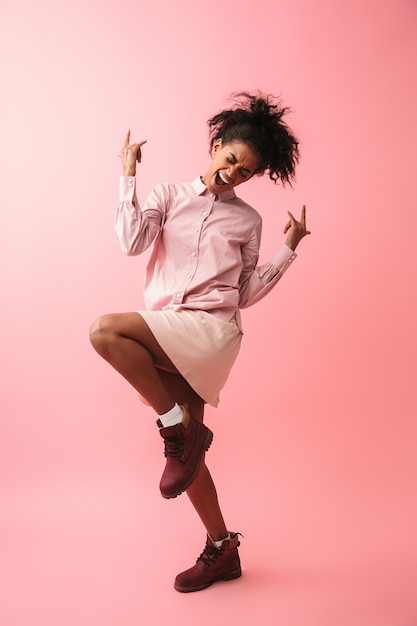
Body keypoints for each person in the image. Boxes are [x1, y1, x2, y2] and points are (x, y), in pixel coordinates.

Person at [89, 92, 310, 593]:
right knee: (190, 468)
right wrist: (128, 173)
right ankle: (223, 549)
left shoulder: (247, 221)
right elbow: (131, 243)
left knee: (105, 330)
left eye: (246, 172)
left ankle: (175, 427)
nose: (233, 174)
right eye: (231, 160)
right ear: (216, 146)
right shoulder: (168, 195)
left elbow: (246, 292)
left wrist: (288, 247)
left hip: (212, 332)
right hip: (170, 325)